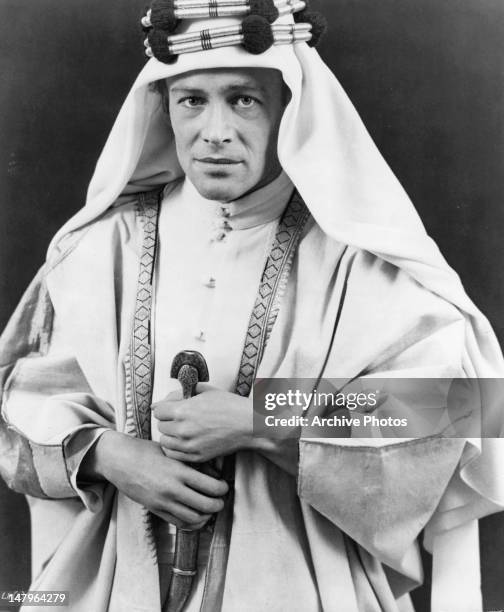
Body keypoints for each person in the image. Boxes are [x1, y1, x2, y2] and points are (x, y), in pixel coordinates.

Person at [1, 2, 504, 611]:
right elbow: (20, 398)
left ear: (290, 111)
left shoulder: (357, 259)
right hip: (117, 583)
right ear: (163, 108)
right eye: (192, 100)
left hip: (301, 585)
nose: (214, 130)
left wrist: (263, 420)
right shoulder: (105, 246)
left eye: (243, 99)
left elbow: (452, 409)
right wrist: (110, 454)